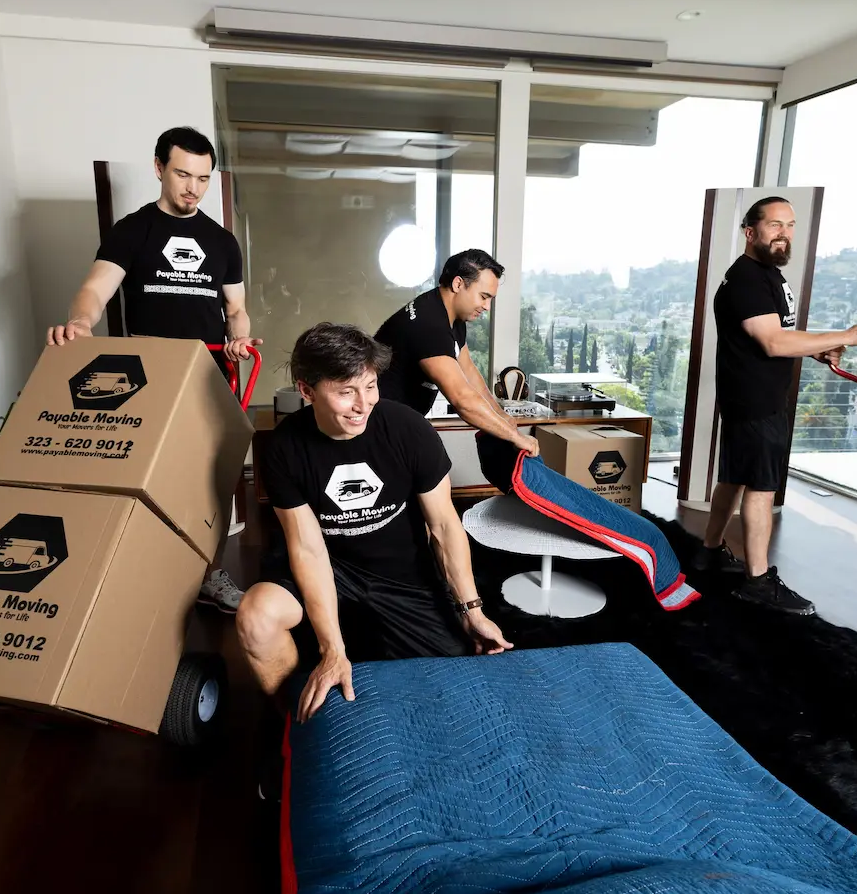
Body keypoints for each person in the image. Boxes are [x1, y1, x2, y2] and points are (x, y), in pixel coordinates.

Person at [235, 322, 513, 723]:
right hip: (329, 565)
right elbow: (308, 548)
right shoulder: (284, 447)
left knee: (454, 674)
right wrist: (332, 649)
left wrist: (471, 609)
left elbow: (444, 526)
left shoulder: (408, 429)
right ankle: (296, 728)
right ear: (307, 390)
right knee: (256, 617)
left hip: (400, 573)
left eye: (370, 386)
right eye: (346, 392)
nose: (363, 404)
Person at [46, 125, 259, 614]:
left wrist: (239, 338)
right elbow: (95, 290)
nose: (193, 188)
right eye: (183, 174)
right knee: (148, 478)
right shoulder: (133, 230)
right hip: (145, 377)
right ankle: (147, 576)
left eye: (202, 178)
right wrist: (80, 323)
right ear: (159, 168)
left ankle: (209, 574)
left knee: (210, 481)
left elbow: (236, 309)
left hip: (207, 377)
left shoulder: (222, 241)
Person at [695, 196, 857, 616]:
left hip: (752, 396)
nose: (784, 233)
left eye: (790, 225)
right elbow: (773, 342)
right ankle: (757, 582)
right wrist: (846, 337)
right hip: (756, 401)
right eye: (775, 225)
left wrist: (816, 348)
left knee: (735, 478)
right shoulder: (747, 280)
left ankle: (709, 552)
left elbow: (778, 332)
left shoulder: (767, 275)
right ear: (750, 231)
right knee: (761, 489)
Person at [373, 249, 539, 458]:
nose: (487, 307)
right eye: (484, 297)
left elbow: (468, 372)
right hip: (378, 431)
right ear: (458, 284)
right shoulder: (429, 324)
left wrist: (501, 416)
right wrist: (516, 437)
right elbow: (462, 399)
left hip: (400, 425)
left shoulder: (450, 315)